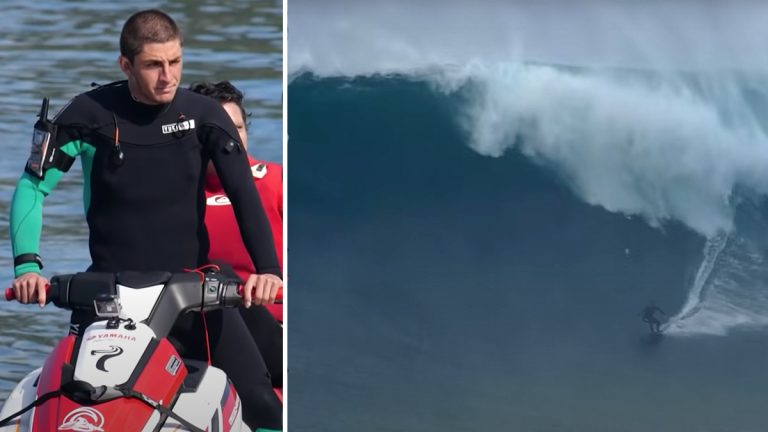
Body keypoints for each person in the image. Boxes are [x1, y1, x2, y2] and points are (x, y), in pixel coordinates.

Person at [9, 10, 281, 430]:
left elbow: (244, 194)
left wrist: (268, 270)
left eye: (175, 62)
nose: (168, 76)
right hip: (106, 298)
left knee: (260, 401)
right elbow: (33, 186)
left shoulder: (206, 116)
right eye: (154, 64)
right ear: (126, 65)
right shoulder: (87, 116)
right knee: (79, 408)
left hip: (194, 292)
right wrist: (28, 265)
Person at [190, 80, 283, 389]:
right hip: (203, 332)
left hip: (274, 330)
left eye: (238, 128)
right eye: (219, 129)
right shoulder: (176, 197)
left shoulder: (276, 181)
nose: (230, 139)